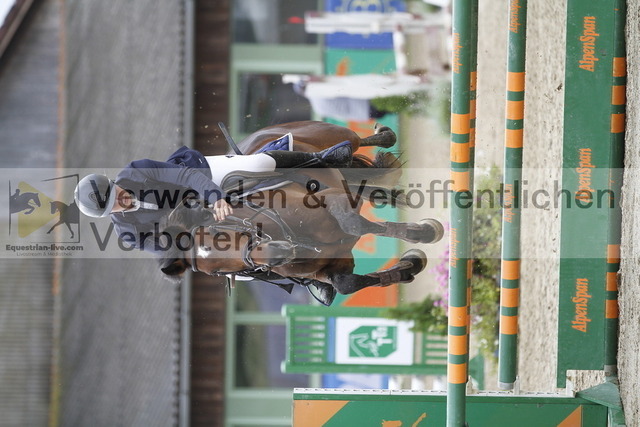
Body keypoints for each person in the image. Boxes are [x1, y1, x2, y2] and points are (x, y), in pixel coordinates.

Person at [74, 141, 353, 254]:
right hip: (197, 224)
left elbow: (184, 177)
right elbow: (167, 247)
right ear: (108, 215)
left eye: (117, 194)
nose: (121, 201)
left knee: (259, 164)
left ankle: (320, 157)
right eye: (113, 206)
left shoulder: (135, 171)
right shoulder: (129, 232)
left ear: (113, 182)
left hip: (202, 179)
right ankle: (312, 275)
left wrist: (217, 198)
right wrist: (194, 241)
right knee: (240, 262)